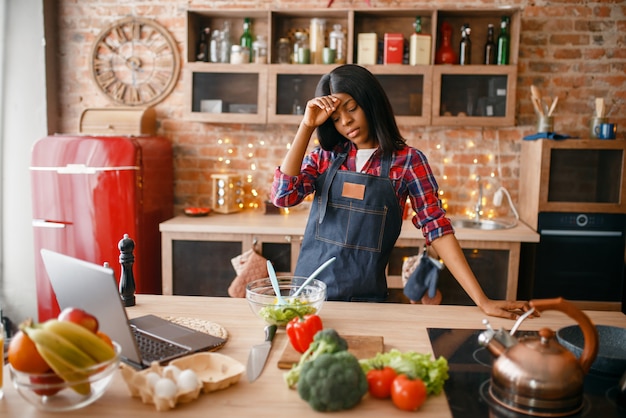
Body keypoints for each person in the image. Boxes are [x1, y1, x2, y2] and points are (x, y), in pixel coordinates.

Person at [270, 64, 531, 320]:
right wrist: (306, 126)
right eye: (336, 118)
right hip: (309, 299)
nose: (346, 121)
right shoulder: (324, 158)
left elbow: (436, 228)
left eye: (352, 108)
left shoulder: (408, 161)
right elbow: (283, 196)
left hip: (367, 304)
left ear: (370, 102)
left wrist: (482, 301)